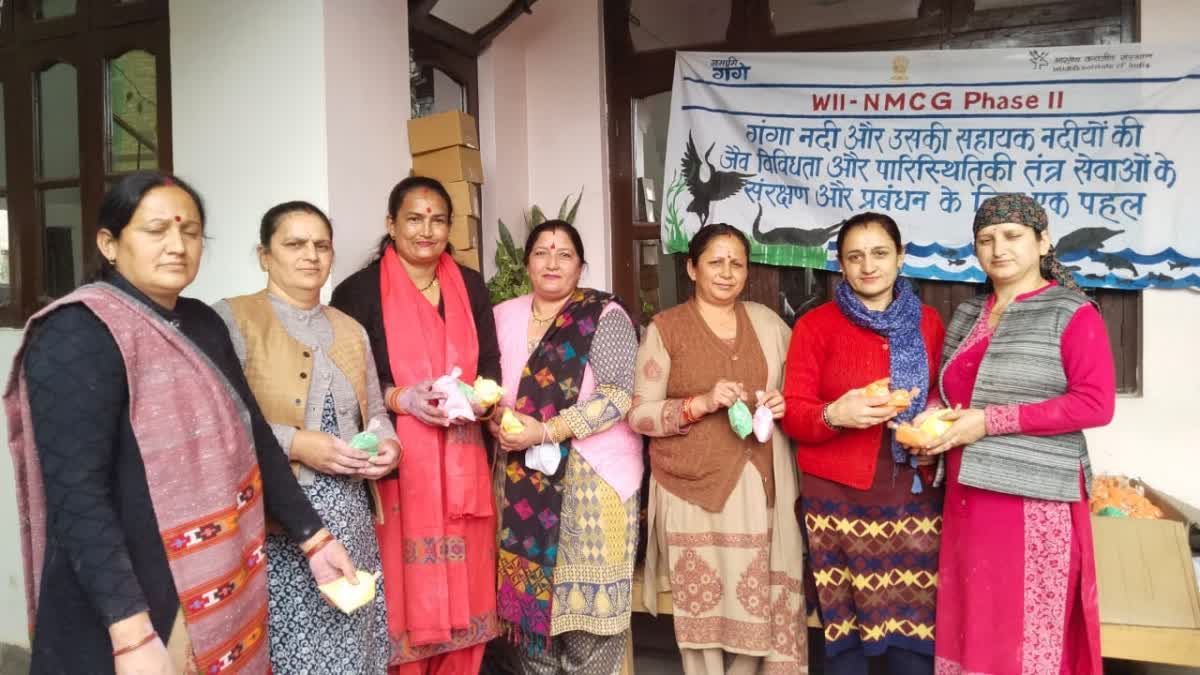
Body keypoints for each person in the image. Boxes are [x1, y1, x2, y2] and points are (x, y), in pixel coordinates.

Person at [5, 172, 358, 675]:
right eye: (156, 231)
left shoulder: (199, 322)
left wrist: (314, 538)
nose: (177, 245)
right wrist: (129, 633)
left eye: (190, 232)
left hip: (219, 584)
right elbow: (76, 495)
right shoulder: (76, 332)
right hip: (129, 598)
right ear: (109, 242)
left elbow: (254, 435)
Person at [913, 194, 1115, 674]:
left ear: (1043, 241)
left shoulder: (1072, 311)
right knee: (975, 625)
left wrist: (989, 421)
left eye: (1012, 236)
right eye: (986, 239)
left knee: (1024, 636)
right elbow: (950, 390)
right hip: (967, 494)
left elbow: (1095, 404)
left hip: (1035, 499)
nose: (998, 248)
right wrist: (931, 419)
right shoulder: (968, 314)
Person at [215, 201, 402, 673]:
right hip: (280, 519)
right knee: (293, 647)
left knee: (352, 644)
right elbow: (222, 417)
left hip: (351, 515)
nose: (311, 256)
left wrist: (388, 446)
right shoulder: (233, 319)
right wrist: (297, 444)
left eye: (321, 245)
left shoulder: (350, 328)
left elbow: (375, 412)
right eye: (294, 244)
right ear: (264, 254)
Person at [331, 175, 501, 675]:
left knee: (468, 595)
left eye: (438, 219)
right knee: (400, 594)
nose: (426, 230)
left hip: (465, 466)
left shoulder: (468, 285)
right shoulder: (357, 292)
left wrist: (483, 401)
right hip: (397, 472)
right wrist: (399, 397)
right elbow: (345, 386)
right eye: (414, 218)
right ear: (391, 223)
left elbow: (488, 361)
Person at [629, 224, 807, 675]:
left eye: (737, 264)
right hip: (691, 491)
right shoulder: (666, 329)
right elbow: (640, 416)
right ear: (691, 268)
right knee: (702, 613)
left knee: (759, 603)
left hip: (757, 483)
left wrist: (783, 401)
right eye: (715, 262)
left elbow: (800, 393)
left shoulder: (767, 324)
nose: (727, 273)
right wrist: (698, 404)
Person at [780, 212, 946, 675]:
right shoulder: (816, 326)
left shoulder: (929, 323)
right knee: (846, 636)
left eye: (879, 253)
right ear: (841, 265)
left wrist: (932, 427)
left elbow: (940, 394)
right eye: (855, 257)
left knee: (913, 634)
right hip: (837, 501)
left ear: (900, 258)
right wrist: (836, 413)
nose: (868, 266)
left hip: (914, 494)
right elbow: (794, 412)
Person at [489, 220, 643, 675]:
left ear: (581, 266)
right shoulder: (503, 315)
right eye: (541, 252)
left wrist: (547, 430)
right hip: (520, 482)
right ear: (527, 263)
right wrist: (494, 415)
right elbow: (487, 388)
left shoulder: (604, 315)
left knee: (590, 631)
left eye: (564, 254)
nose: (552, 263)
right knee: (533, 632)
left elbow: (617, 396)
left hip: (593, 483)